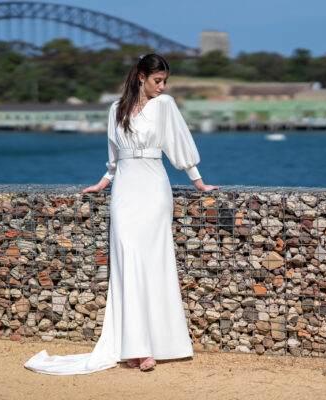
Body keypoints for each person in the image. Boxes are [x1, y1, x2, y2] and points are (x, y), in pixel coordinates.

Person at [23, 53, 219, 375]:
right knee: (127, 262)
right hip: (125, 191)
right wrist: (102, 183)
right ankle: (132, 344)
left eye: (165, 81)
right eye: (157, 80)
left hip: (155, 188)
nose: (162, 87)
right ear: (141, 77)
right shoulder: (116, 109)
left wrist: (198, 183)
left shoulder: (165, 105)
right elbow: (114, 157)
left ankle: (152, 346)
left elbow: (179, 145)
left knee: (154, 262)